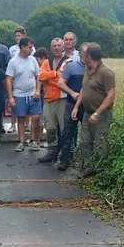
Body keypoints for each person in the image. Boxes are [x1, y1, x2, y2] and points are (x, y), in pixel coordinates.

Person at [71, 43, 115, 178]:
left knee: (100, 143)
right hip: (87, 113)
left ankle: (102, 172)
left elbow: (111, 95)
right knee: (85, 141)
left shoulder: (106, 72)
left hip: (101, 114)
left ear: (89, 56)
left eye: (84, 55)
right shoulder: (87, 68)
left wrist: (98, 113)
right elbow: (84, 89)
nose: (82, 57)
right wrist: (76, 106)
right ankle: (89, 166)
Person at [6, 37, 42, 152]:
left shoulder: (33, 60)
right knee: (21, 119)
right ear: (22, 47)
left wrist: (37, 91)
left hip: (33, 94)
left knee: (36, 117)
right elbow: (8, 80)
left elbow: (38, 77)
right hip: (19, 94)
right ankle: (21, 141)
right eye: (30, 47)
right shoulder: (13, 62)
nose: (31, 49)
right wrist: (11, 97)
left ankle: (32, 140)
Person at [57, 43, 88, 171]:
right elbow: (60, 83)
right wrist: (71, 92)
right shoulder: (71, 67)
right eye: (84, 53)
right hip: (71, 104)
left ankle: (85, 162)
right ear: (80, 53)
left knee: (86, 136)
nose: (86, 56)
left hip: (87, 106)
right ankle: (64, 160)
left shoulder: (93, 69)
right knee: (67, 132)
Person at [38, 38, 69, 162]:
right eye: (54, 46)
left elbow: (63, 81)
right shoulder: (46, 62)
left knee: (63, 129)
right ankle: (52, 152)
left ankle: (64, 155)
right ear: (51, 48)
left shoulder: (68, 61)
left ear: (63, 47)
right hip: (49, 100)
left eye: (59, 45)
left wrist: (50, 77)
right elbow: (41, 76)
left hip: (62, 99)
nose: (56, 48)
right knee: (50, 128)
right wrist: (55, 74)